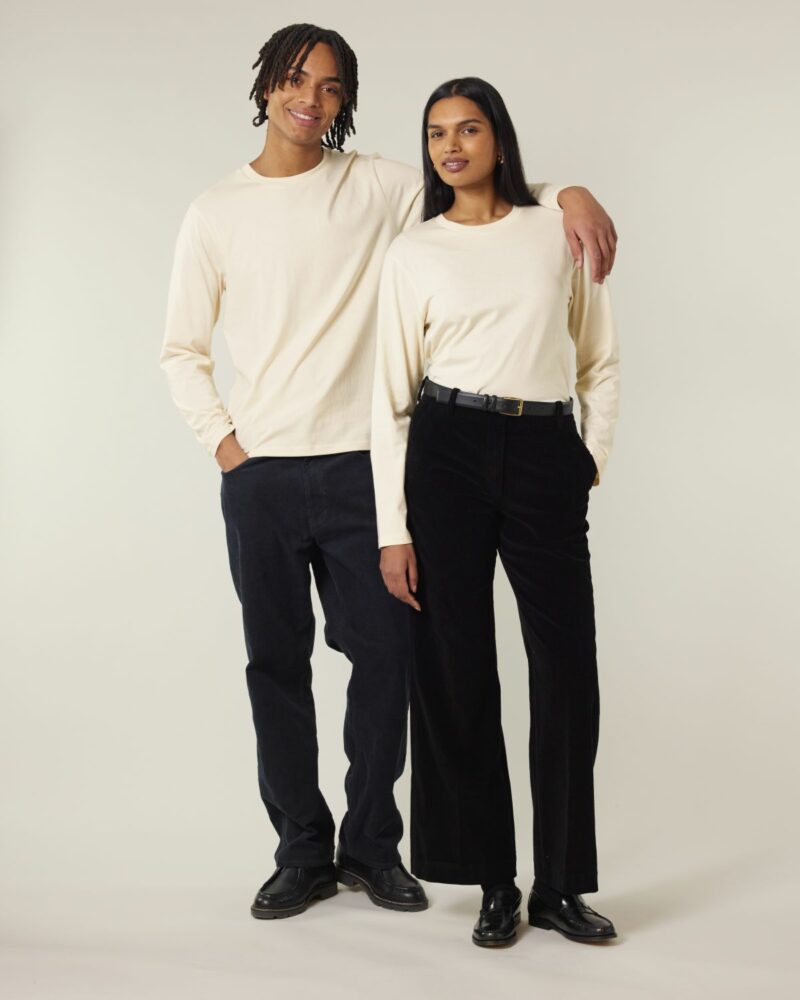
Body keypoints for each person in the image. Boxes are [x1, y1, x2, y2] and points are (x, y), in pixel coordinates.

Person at [160, 23, 618, 921]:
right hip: (261, 471)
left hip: (365, 466)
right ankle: (302, 851)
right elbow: (181, 349)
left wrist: (569, 191)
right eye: (297, 80)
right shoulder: (214, 212)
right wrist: (227, 448)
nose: (311, 99)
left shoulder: (376, 185)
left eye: (331, 87)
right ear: (265, 85)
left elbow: (481, 186)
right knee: (276, 664)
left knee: (389, 660)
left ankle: (372, 845)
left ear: (346, 102)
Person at [370, 77, 620, 947]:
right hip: (445, 449)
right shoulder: (413, 252)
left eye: (469, 129)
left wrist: (588, 459)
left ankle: (560, 886)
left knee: (567, 667)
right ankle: (492, 880)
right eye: (437, 132)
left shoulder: (556, 230)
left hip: (545, 447)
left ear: (499, 141)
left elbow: (599, 358)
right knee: (456, 667)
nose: (451, 146)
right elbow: (387, 398)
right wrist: (392, 529)